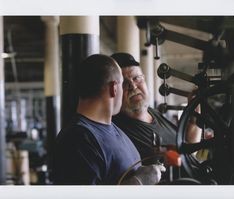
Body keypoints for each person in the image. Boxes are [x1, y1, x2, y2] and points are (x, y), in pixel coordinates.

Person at [52, 54, 165, 185]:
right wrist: (137, 183)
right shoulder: (77, 140)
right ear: (114, 88)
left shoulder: (112, 128)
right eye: (123, 84)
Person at [111, 52, 201, 164]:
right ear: (114, 90)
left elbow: (188, 152)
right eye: (124, 83)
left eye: (137, 78)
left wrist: (194, 120)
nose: (133, 86)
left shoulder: (154, 113)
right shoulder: (117, 131)